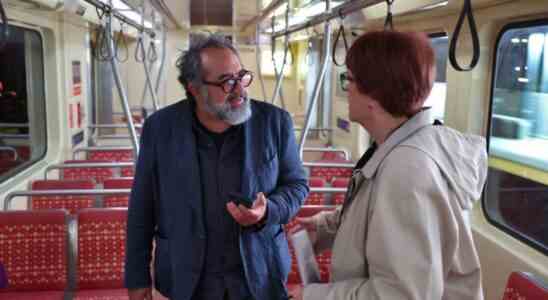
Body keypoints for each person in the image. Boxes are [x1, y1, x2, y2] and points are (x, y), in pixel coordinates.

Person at [289, 30, 487, 300]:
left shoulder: (407, 171)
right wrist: (324, 227)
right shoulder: (401, 146)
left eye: (350, 79)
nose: (346, 90)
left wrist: (311, 296)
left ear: (374, 95)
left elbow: (401, 294)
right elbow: (377, 215)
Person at [125, 34, 309, 300]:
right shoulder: (160, 128)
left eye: (241, 76)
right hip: (188, 280)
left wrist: (268, 210)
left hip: (259, 275)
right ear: (194, 88)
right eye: (226, 81)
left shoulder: (274, 122)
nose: (240, 89)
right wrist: (137, 277)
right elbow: (142, 206)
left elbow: (297, 186)